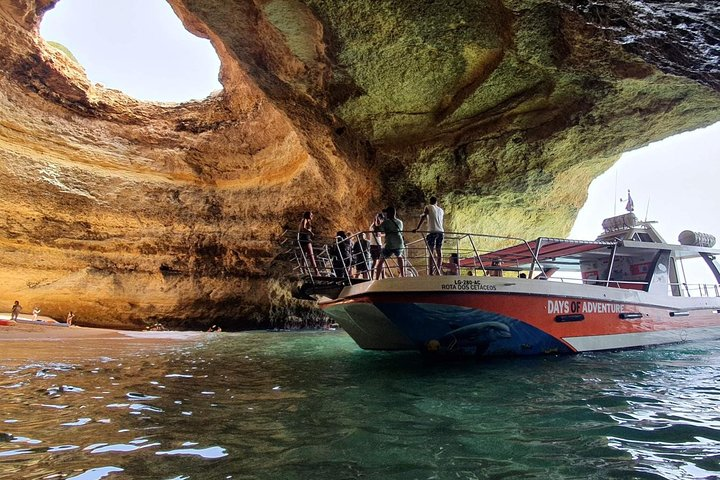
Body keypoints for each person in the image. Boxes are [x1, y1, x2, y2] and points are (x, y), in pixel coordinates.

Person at [413, 196, 445, 275]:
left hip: (432, 232)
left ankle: (430, 272)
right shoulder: (441, 210)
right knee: (439, 251)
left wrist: (417, 228)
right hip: (440, 232)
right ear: (436, 202)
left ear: (430, 201)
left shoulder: (428, 207)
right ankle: (438, 271)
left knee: (430, 252)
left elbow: (423, 217)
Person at [374, 206, 405, 279]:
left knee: (381, 260)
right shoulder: (400, 222)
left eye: (387, 213)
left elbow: (377, 229)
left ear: (390, 213)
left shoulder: (386, 222)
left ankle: (377, 278)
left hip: (390, 244)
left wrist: (376, 222)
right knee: (399, 256)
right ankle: (403, 275)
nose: (386, 215)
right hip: (399, 243)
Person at [298, 211, 320, 276]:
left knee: (304, 255)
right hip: (305, 239)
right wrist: (310, 232)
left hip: (304, 239)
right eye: (311, 215)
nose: (312, 216)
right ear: (307, 215)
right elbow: (303, 228)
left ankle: (303, 270)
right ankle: (316, 272)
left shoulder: (307, 221)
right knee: (311, 255)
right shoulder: (305, 219)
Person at [368, 212, 384, 278]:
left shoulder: (371, 227)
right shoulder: (376, 227)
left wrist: (376, 218)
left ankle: (371, 277)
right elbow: (378, 234)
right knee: (382, 261)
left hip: (372, 245)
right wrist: (386, 234)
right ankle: (382, 276)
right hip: (378, 246)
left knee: (374, 262)